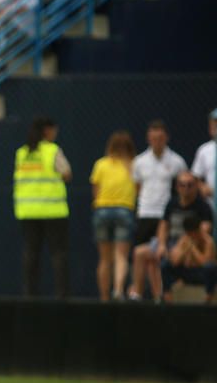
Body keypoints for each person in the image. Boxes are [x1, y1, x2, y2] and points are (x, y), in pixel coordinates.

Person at [130, 172, 212, 302]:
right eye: (182, 185)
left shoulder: (203, 206)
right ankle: (137, 295)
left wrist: (183, 244)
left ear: (196, 186)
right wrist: (161, 244)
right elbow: (163, 226)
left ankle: (163, 296)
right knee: (140, 252)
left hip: (188, 242)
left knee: (170, 258)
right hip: (169, 241)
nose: (186, 189)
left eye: (190, 185)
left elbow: (204, 230)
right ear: (177, 187)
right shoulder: (172, 203)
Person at [14, 116, 71, 298]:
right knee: (58, 254)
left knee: (31, 253)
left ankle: (30, 294)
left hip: (28, 211)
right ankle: (62, 294)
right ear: (47, 131)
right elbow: (67, 173)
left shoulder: (22, 153)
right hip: (53, 210)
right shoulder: (52, 150)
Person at [89, 131, 136, 301]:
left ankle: (104, 296)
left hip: (102, 209)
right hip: (124, 209)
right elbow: (138, 189)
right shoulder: (133, 165)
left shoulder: (101, 164)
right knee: (121, 255)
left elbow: (96, 190)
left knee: (104, 259)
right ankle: (118, 289)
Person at [131, 120, 186, 247]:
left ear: (166, 138)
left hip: (165, 215)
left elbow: (182, 187)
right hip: (145, 213)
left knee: (162, 251)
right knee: (141, 252)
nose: (157, 141)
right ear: (148, 139)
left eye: (160, 138)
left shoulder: (177, 161)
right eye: (153, 138)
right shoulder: (139, 161)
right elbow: (137, 187)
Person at [190, 108, 217, 199]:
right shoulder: (204, 150)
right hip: (210, 204)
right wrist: (202, 187)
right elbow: (195, 177)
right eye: (214, 124)